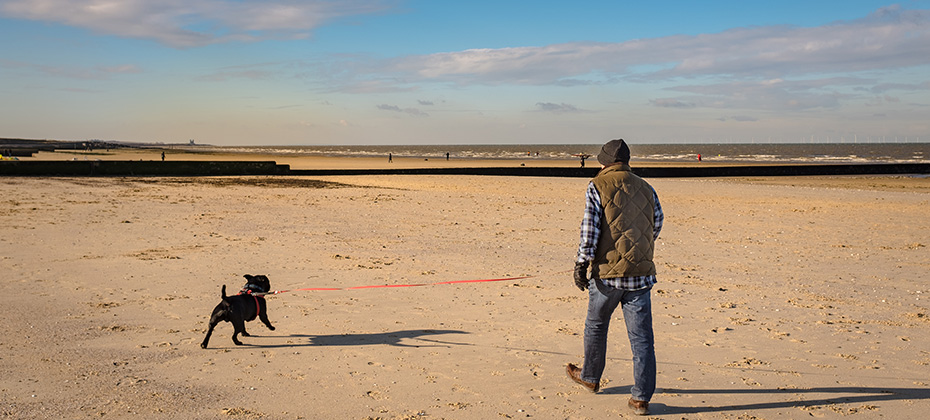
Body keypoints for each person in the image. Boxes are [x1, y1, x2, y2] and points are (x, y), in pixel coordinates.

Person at [566, 139, 663, 416]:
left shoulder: (597, 185)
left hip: (608, 275)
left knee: (596, 326)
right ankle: (641, 398)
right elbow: (657, 222)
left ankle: (590, 377)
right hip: (640, 274)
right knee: (642, 338)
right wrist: (640, 248)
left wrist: (581, 262)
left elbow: (590, 228)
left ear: (603, 162)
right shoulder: (647, 187)